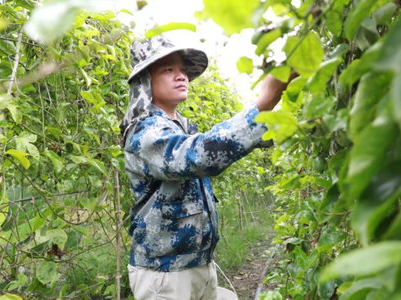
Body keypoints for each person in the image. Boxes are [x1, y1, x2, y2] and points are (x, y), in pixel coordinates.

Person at [120, 35, 291, 300]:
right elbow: (198, 154)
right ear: (145, 81)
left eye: (183, 70)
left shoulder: (179, 127)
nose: (181, 76)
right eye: (168, 69)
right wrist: (263, 102)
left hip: (199, 265)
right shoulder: (143, 133)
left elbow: (217, 143)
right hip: (165, 276)